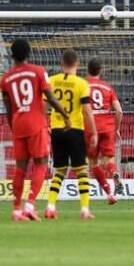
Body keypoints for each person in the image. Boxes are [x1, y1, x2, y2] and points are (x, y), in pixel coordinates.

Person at [0, 39, 71, 222]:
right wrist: (65, 115)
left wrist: (13, 127)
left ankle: (16, 210)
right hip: (35, 121)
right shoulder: (38, 72)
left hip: (18, 123)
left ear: (12, 55)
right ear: (29, 53)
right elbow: (51, 99)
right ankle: (30, 205)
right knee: (41, 163)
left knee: (20, 167)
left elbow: (8, 110)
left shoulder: (5, 79)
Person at [45, 49, 99, 220]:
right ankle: (84, 210)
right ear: (77, 64)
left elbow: (44, 105)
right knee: (81, 170)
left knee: (59, 170)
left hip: (57, 129)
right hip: (75, 128)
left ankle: (50, 207)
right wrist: (94, 132)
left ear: (61, 64)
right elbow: (87, 110)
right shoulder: (81, 84)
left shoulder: (52, 81)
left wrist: (44, 124)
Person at [85, 58, 124, 204]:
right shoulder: (108, 87)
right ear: (100, 71)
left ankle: (109, 193)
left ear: (87, 70)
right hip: (107, 126)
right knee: (109, 159)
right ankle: (114, 173)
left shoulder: (83, 86)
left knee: (93, 163)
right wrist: (117, 128)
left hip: (90, 126)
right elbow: (119, 111)